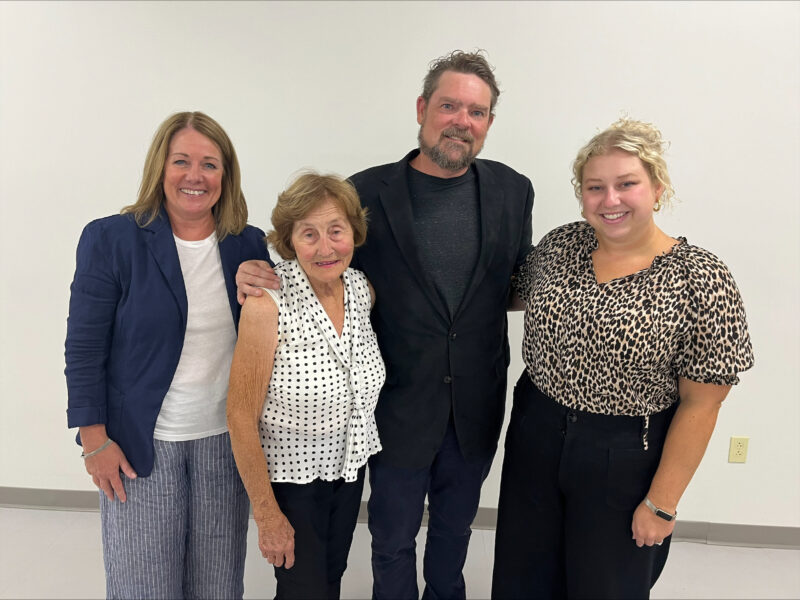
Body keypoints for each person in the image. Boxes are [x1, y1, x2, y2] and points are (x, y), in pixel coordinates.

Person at [235, 50, 534, 599]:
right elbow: (326, 262)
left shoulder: (513, 190)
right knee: (391, 540)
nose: (461, 121)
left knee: (453, 533)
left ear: (489, 123)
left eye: (477, 111)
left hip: (476, 403)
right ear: (422, 109)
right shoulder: (366, 192)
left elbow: (514, 283)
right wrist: (259, 267)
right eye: (449, 105)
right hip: (394, 406)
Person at [491, 118, 754, 599]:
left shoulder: (701, 279)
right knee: (522, 578)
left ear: (656, 188)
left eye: (626, 184)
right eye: (595, 187)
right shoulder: (561, 245)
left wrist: (662, 503)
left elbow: (703, 404)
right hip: (536, 432)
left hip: (625, 451)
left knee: (607, 586)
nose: (610, 200)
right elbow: (504, 294)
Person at [64, 111, 271, 599]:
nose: (195, 176)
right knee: (144, 588)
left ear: (227, 175)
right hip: (141, 445)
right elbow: (84, 346)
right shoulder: (112, 239)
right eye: (182, 161)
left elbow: (266, 343)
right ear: (160, 167)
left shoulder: (248, 243)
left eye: (209, 164)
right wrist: (94, 441)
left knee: (218, 588)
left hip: (225, 445)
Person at [226, 172, 385, 600]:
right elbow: (239, 415)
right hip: (292, 481)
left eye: (336, 230)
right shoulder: (267, 302)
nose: (325, 246)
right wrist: (266, 513)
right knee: (304, 591)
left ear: (354, 231)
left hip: (349, 473)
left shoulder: (360, 289)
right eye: (309, 234)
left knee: (329, 580)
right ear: (289, 240)